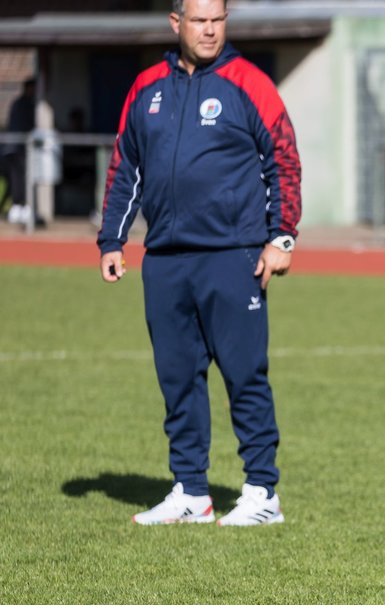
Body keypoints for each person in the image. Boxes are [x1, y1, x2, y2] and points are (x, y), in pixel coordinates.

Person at [97, 0, 301, 526]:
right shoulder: (146, 89)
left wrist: (282, 238)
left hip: (233, 257)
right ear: (176, 24)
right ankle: (191, 490)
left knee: (244, 375)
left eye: (218, 20)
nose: (210, 30)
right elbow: (125, 168)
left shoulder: (249, 83)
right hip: (164, 260)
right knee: (178, 378)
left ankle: (262, 494)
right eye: (199, 21)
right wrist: (112, 240)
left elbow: (283, 159)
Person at [3, 77, 35, 225]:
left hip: (15, 147)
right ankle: (17, 207)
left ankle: (16, 207)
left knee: (15, 180)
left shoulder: (22, 103)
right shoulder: (23, 104)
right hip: (16, 147)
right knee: (18, 179)